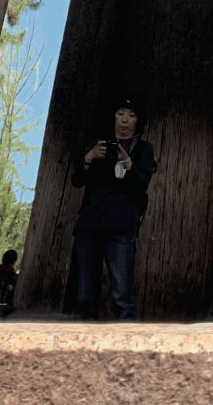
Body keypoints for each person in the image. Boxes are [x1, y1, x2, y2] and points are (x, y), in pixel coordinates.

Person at [70, 98, 156, 320]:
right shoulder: (97, 145)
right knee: (85, 291)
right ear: (113, 117)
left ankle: (127, 336)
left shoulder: (143, 149)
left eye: (131, 115)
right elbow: (76, 180)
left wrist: (128, 162)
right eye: (120, 113)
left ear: (138, 121)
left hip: (120, 224)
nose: (125, 120)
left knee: (122, 293)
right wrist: (88, 158)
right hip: (90, 222)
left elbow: (142, 184)